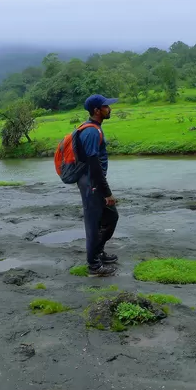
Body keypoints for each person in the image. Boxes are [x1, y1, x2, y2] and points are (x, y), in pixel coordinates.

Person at [78, 94, 120, 276]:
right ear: (97, 110)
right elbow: (94, 165)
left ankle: (98, 253)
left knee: (110, 217)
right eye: (106, 106)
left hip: (93, 182)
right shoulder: (91, 132)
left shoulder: (95, 129)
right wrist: (107, 192)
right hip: (91, 183)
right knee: (93, 223)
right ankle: (94, 266)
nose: (109, 108)